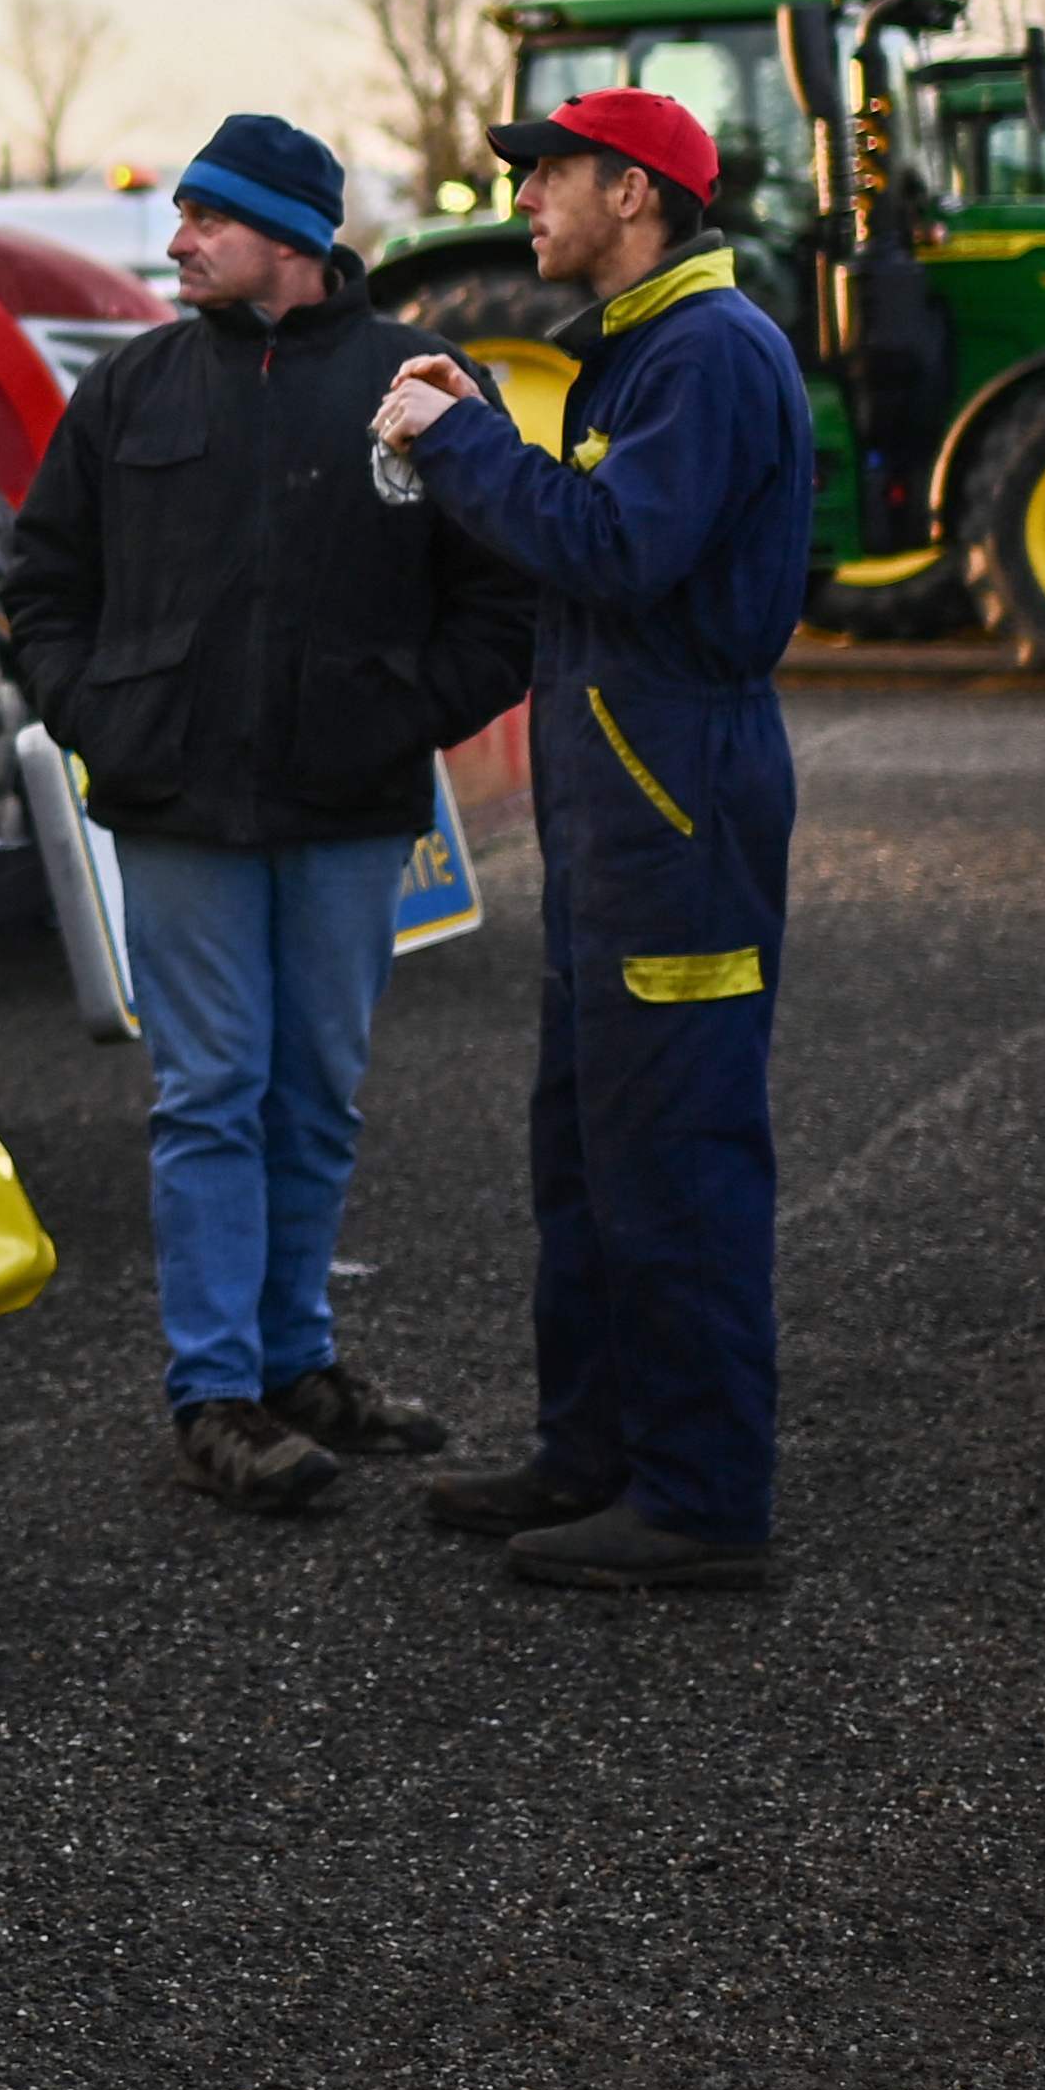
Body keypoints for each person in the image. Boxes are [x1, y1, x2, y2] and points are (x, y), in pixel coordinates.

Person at [3, 113, 537, 1515]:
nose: (178, 239)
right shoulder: (132, 388)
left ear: (293, 238)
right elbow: (43, 585)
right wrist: (102, 715)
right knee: (210, 1094)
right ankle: (216, 1396)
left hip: (349, 806)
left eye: (209, 218)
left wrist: (401, 712)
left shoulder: (418, 383)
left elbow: (501, 595)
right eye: (183, 214)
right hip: (178, 808)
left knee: (314, 1094)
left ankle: (297, 1365)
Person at [369, 84, 808, 1591]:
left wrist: (460, 447)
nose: (524, 200)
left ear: (634, 193)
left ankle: (701, 1501)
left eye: (548, 173)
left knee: (674, 1155)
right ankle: (595, 1454)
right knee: (590, 1147)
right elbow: (602, 524)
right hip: (627, 807)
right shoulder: (649, 348)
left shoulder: (707, 350)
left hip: (675, 805)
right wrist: (492, 431)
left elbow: (619, 549)